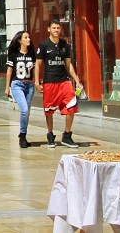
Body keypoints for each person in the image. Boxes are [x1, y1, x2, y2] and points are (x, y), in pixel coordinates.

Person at [34, 20, 82, 149]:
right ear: (49, 29)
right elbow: (37, 65)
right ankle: (50, 135)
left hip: (64, 81)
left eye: (58, 28)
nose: (56, 30)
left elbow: (68, 64)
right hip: (50, 82)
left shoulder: (64, 45)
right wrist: (37, 82)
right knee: (49, 111)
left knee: (72, 105)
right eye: (54, 28)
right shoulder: (44, 45)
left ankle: (67, 135)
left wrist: (76, 80)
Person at [5, 30, 35, 149]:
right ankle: (22, 136)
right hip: (17, 84)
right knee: (24, 109)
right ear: (19, 40)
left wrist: (36, 82)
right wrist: (7, 87)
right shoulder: (13, 55)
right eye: (25, 37)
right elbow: (9, 71)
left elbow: (34, 69)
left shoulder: (32, 54)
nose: (28, 39)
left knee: (27, 113)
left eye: (29, 37)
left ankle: (24, 135)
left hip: (30, 85)